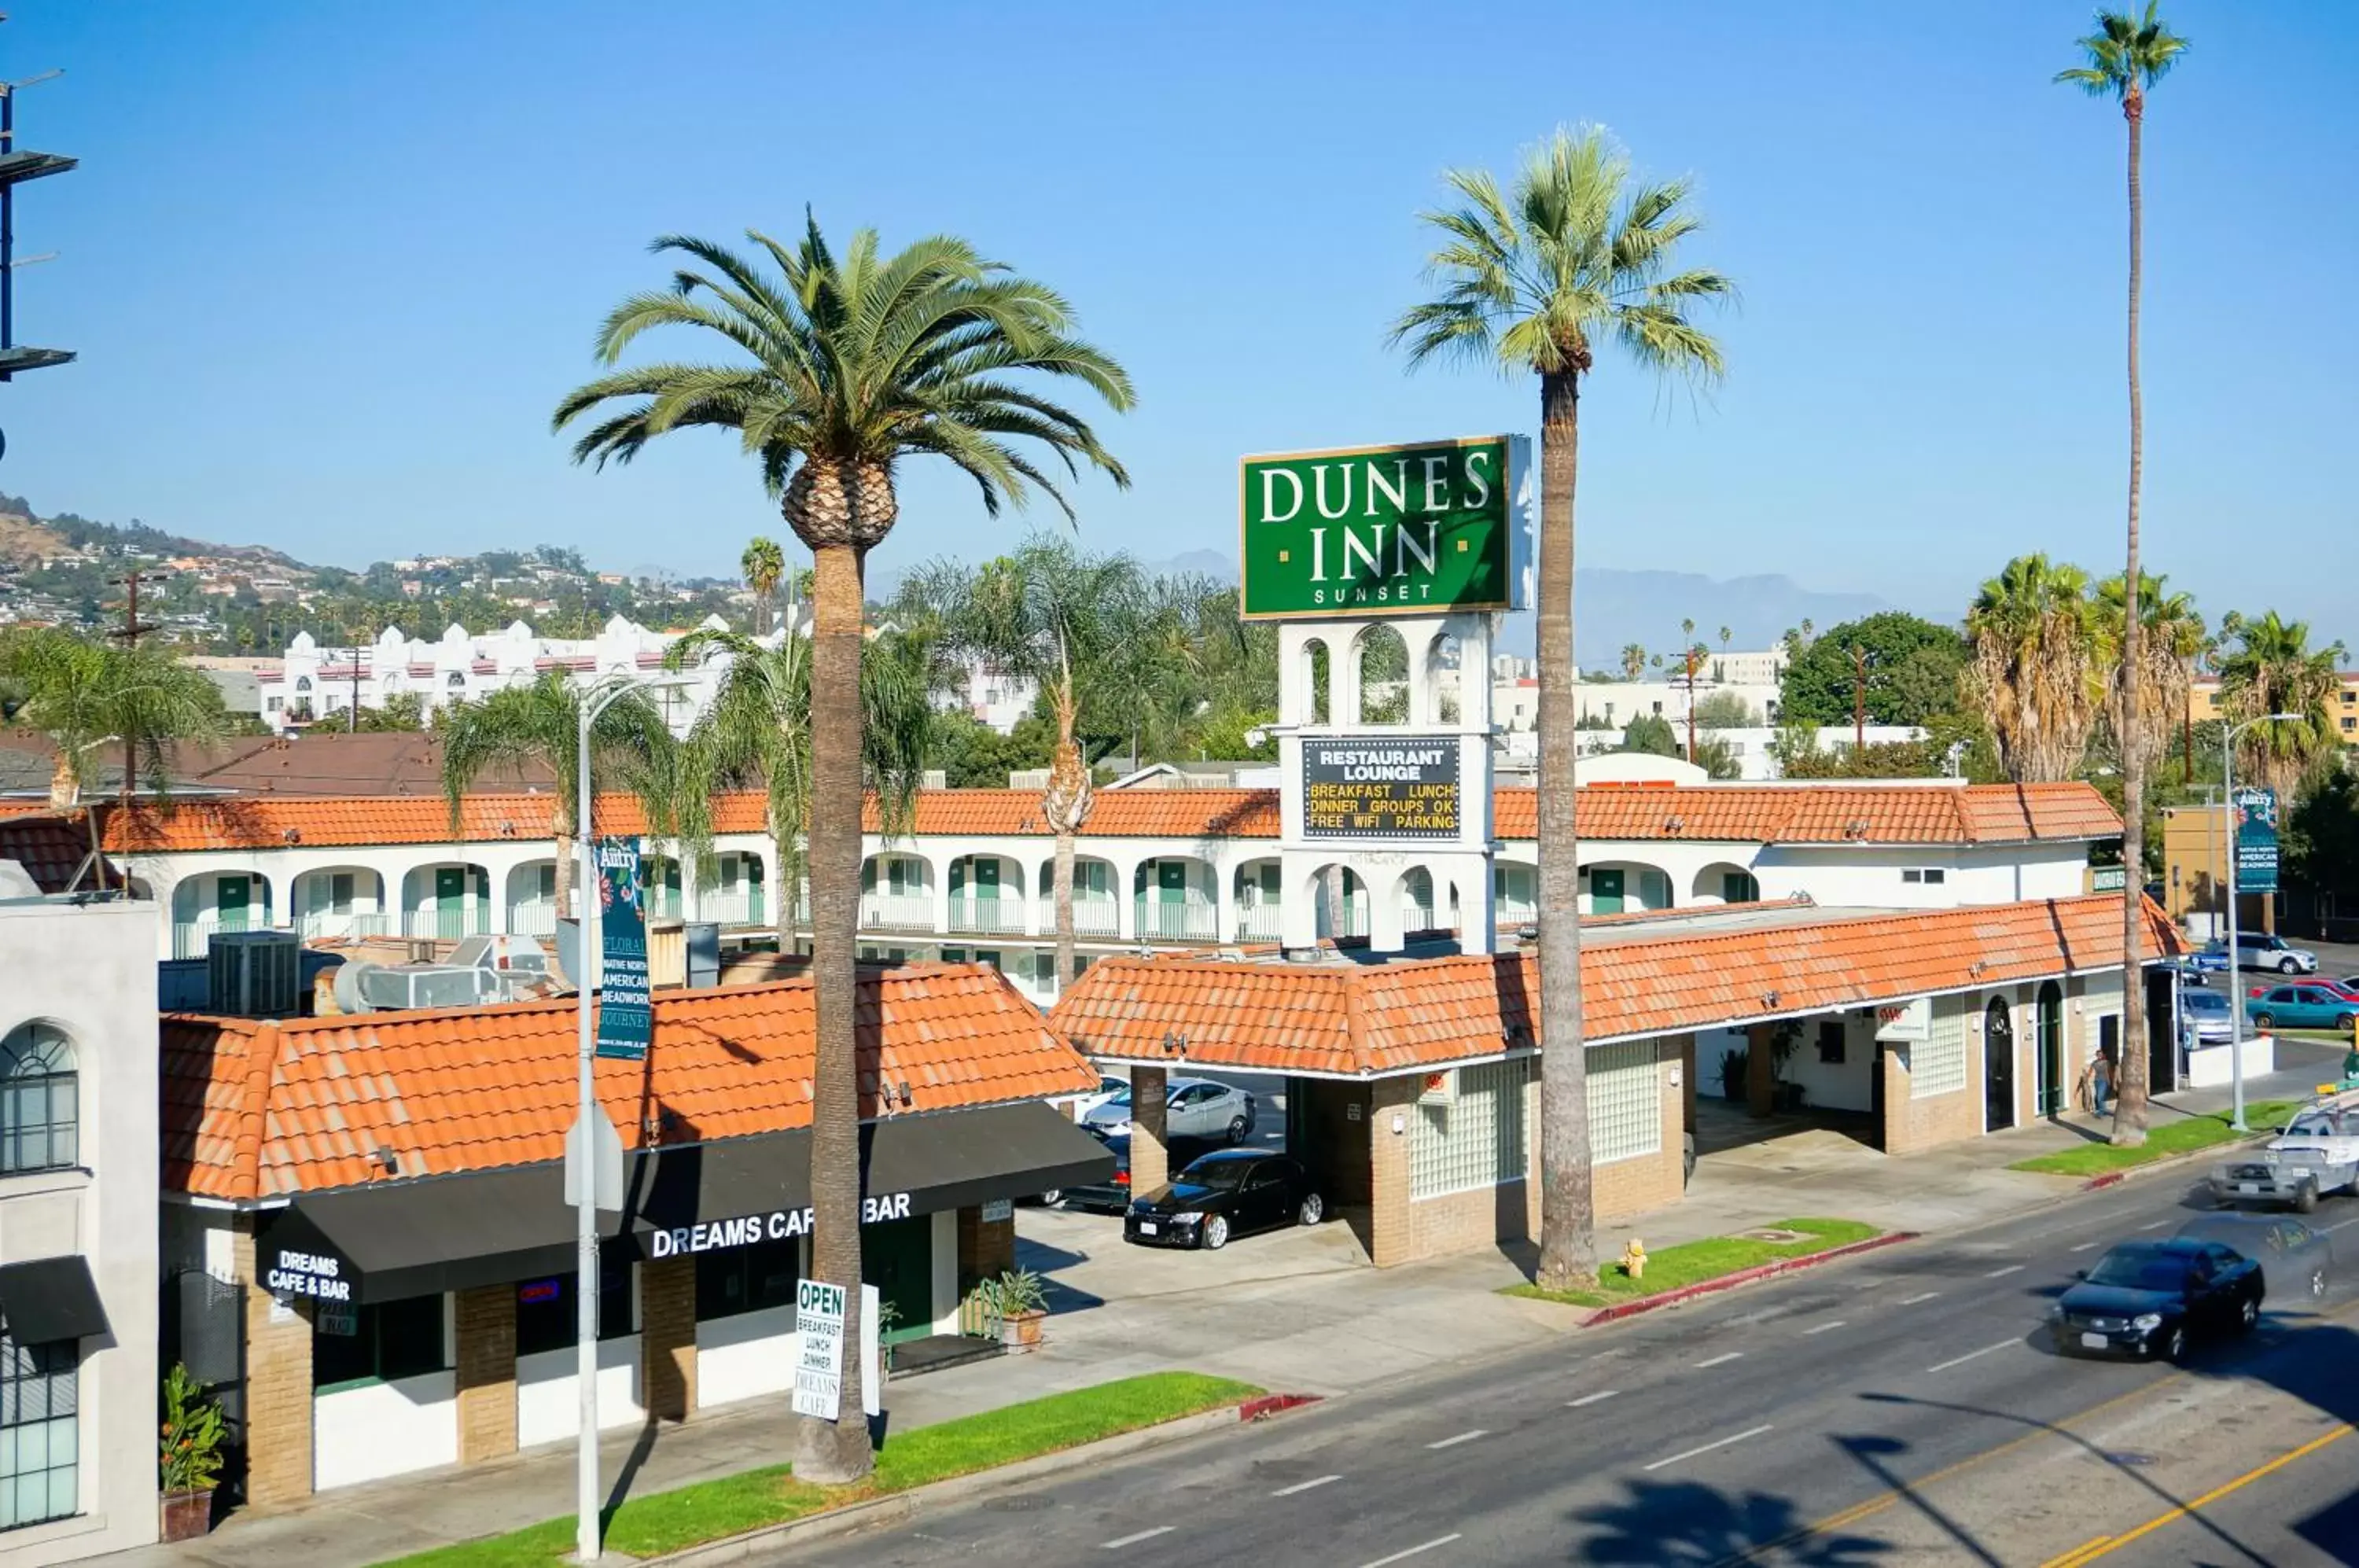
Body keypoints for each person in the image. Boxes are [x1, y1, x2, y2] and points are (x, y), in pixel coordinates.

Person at [2089, 1044, 2114, 1117]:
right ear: (2096, 1055)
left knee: (2100, 1096)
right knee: (2098, 1096)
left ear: (2102, 1055)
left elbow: (2110, 1072)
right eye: (2098, 1055)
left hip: (2104, 1081)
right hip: (2097, 1081)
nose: (2099, 1056)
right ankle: (2102, 1109)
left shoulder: (2106, 1062)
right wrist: (2086, 1077)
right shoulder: (2094, 1063)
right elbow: (2090, 1072)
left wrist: (2111, 1081)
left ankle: (2101, 1112)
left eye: (2100, 1054)